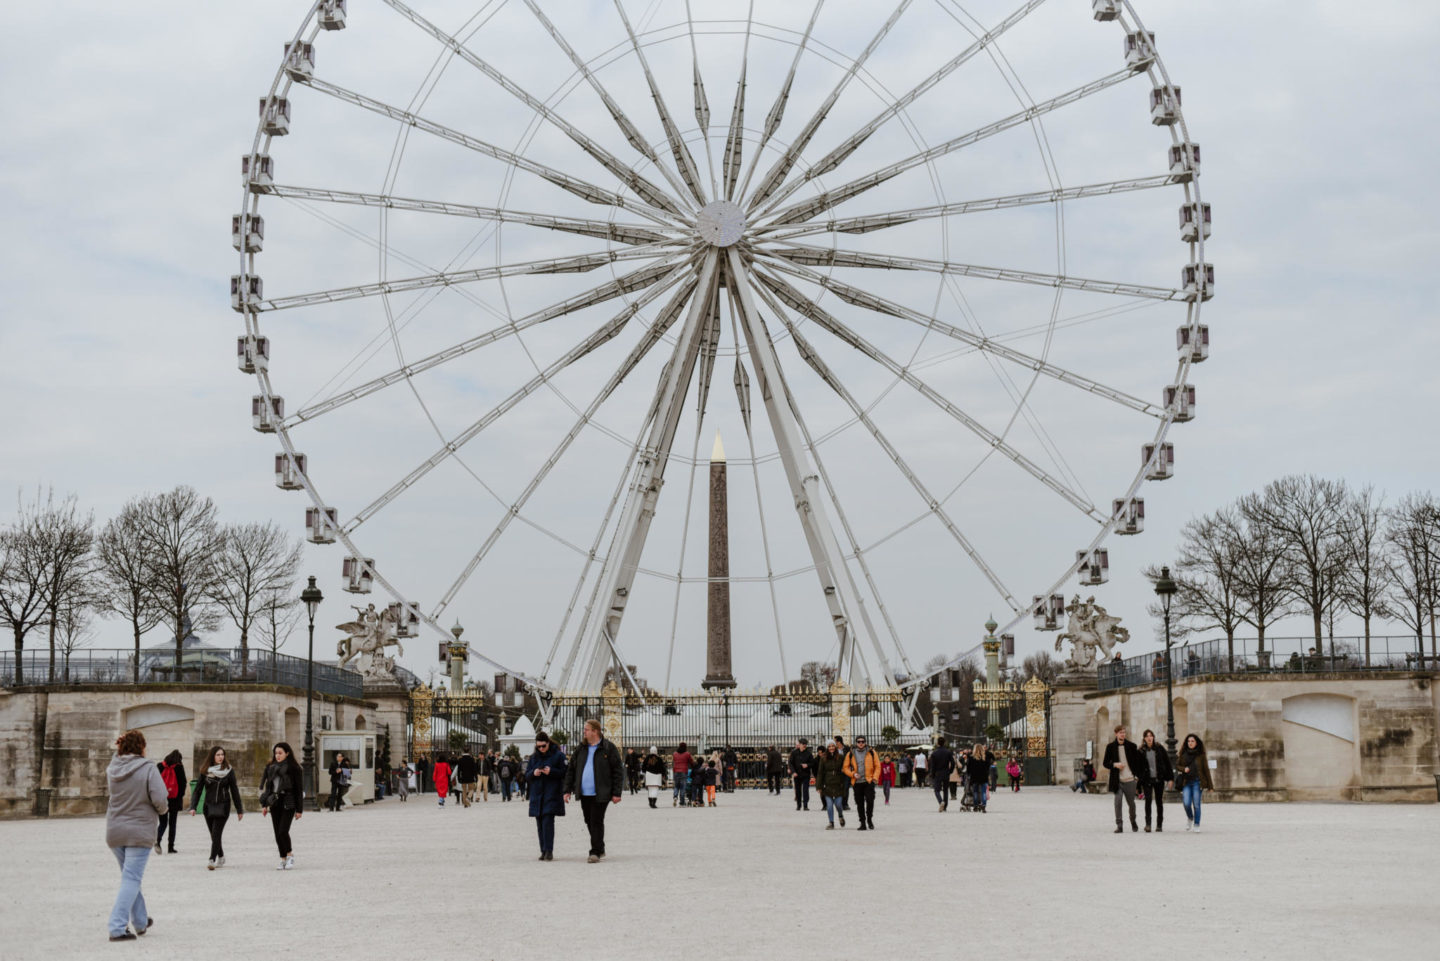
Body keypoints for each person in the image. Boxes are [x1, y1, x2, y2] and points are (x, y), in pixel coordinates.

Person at [106, 729, 167, 942]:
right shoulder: (148, 768)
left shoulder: (112, 768)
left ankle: (140, 921)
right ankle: (116, 926)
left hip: (114, 831)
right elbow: (160, 798)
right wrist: (162, 811)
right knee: (132, 878)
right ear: (141, 747)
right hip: (139, 831)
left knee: (129, 878)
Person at [563, 719, 623, 863]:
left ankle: (594, 851)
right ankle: (600, 847)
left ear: (595, 731)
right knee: (589, 820)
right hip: (584, 793)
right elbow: (571, 770)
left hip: (601, 792)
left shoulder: (608, 748)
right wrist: (567, 790)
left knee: (596, 820)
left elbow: (617, 771)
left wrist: (616, 793)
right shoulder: (581, 748)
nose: (584, 732)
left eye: (587, 730)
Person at [190, 746, 244, 870]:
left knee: (216, 834)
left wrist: (239, 809)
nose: (221, 757)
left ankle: (211, 859)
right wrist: (193, 807)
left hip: (223, 806)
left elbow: (234, 790)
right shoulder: (205, 771)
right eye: (218, 755)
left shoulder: (229, 771)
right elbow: (198, 790)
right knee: (213, 835)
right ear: (213, 756)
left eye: (222, 755)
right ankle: (221, 856)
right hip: (208, 807)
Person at [259, 742, 304, 870]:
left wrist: (299, 810)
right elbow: (268, 788)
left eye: (280, 753)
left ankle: (290, 855)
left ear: (287, 753)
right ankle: (283, 858)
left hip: (288, 801)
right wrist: (264, 805)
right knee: (277, 833)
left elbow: (298, 790)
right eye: (276, 753)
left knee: (283, 830)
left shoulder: (294, 768)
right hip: (275, 801)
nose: (277, 756)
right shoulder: (271, 767)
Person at [526, 732, 566, 861]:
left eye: (543, 746)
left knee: (548, 822)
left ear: (548, 743)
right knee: (539, 824)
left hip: (551, 793)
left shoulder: (558, 756)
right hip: (537, 795)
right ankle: (543, 850)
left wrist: (551, 771)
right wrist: (534, 772)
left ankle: (549, 850)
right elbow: (526, 775)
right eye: (538, 747)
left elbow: (565, 772)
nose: (541, 749)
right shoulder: (533, 758)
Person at [1102, 724, 1143, 833]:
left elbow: (1138, 763)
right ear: (1116, 734)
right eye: (1121, 732)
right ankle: (1119, 825)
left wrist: (1137, 777)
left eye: (1124, 732)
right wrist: (1115, 765)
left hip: (1130, 780)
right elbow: (1105, 763)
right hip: (1117, 780)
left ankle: (1133, 821)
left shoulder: (1132, 746)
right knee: (1118, 802)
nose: (1123, 734)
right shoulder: (1110, 747)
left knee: (1131, 804)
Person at [1137, 730, 1174, 832]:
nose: (1149, 738)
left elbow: (1167, 763)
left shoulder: (1159, 748)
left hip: (1159, 779)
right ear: (1144, 738)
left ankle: (1159, 825)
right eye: (1147, 736)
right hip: (1147, 780)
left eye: (1151, 736)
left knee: (1159, 801)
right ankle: (1148, 824)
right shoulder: (1141, 751)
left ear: (1153, 737)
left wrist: (1170, 778)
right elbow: (1138, 768)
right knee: (1148, 801)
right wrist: (1138, 783)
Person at [1176, 733, 1213, 832]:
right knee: (1186, 803)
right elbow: (1177, 766)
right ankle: (1190, 817)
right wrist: (1184, 769)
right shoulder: (1183, 754)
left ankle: (1197, 824)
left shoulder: (1201, 755)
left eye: (1192, 741)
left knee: (1196, 804)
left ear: (1196, 743)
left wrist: (1210, 786)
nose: (1190, 743)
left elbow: (1206, 770)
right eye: (1188, 741)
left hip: (1197, 782)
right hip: (1186, 782)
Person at [842, 734, 878, 830]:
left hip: (869, 781)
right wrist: (852, 774)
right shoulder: (850, 753)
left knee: (870, 801)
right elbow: (845, 768)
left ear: (865, 742)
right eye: (859, 742)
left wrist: (875, 778)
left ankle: (869, 819)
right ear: (856, 743)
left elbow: (877, 766)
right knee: (859, 803)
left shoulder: (872, 752)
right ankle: (862, 822)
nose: (861, 743)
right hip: (857, 782)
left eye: (862, 741)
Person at [154, 749, 186, 854]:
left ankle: (157, 840)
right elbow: (183, 784)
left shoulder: (159, 766)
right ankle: (170, 847)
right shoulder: (179, 768)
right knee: (173, 823)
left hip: (162, 799)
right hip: (174, 800)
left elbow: (153, 783)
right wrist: (180, 796)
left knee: (163, 822)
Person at [816, 741, 848, 830]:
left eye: (833, 746)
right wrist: (819, 786)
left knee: (838, 804)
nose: (831, 748)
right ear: (827, 747)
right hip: (827, 784)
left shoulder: (841, 757)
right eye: (829, 746)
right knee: (829, 805)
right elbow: (820, 773)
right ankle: (831, 822)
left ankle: (840, 816)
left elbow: (846, 768)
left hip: (838, 784)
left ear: (835, 747)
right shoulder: (823, 758)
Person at [928, 738, 955, 813]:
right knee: (945, 790)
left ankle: (941, 802)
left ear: (937, 743)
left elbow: (933, 766)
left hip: (937, 773)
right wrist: (950, 771)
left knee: (937, 790)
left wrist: (932, 774)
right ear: (944, 742)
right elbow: (953, 763)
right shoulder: (948, 752)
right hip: (946, 772)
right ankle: (945, 806)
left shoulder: (934, 753)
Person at [789, 738, 814, 811]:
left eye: (805, 744)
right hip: (797, 774)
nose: (804, 745)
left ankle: (805, 805)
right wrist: (793, 772)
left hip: (806, 774)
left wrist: (807, 765)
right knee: (798, 790)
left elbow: (812, 763)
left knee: (805, 790)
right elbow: (790, 763)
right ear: (799, 744)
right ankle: (798, 805)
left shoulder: (809, 753)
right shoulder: (794, 753)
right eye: (803, 744)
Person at [966, 744, 991, 813]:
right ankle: (983, 805)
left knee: (975, 792)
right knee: (983, 792)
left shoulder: (971, 758)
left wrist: (969, 775)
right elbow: (988, 767)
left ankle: (976, 806)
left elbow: (968, 769)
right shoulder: (985, 757)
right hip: (983, 777)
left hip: (974, 777)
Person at [671, 742, 693, 807]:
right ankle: (682, 803)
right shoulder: (687, 754)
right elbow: (691, 762)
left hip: (676, 771)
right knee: (683, 787)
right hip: (683, 771)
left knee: (676, 786)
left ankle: (675, 797)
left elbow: (674, 761)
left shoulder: (674, 754)